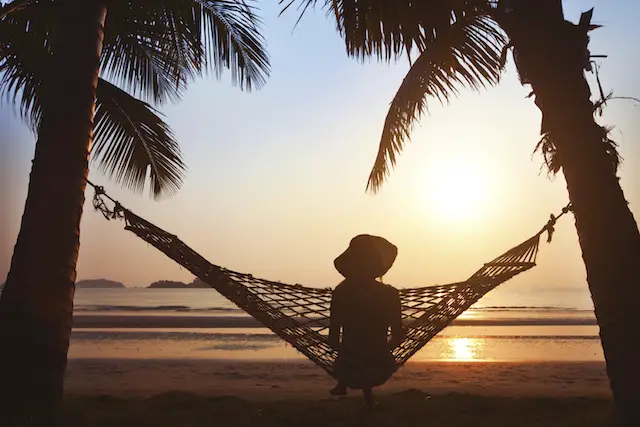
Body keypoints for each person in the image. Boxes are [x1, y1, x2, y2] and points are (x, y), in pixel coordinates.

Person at [328, 234, 405, 408]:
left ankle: (342, 384)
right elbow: (398, 336)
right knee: (366, 350)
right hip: (381, 366)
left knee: (353, 350)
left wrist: (351, 352)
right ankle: (366, 393)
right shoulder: (390, 295)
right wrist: (379, 350)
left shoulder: (341, 293)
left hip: (346, 369)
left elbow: (332, 341)